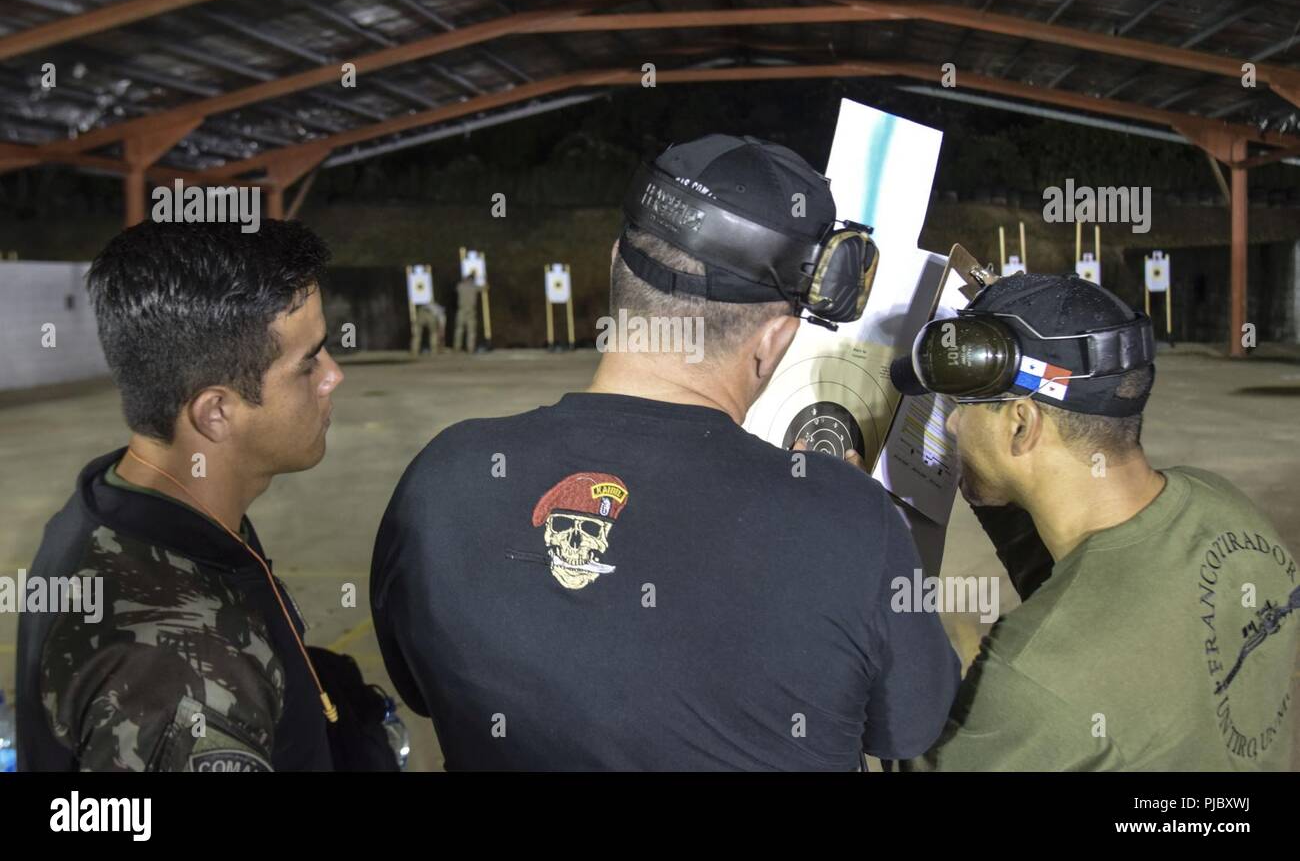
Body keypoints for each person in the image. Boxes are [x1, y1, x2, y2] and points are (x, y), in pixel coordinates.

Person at [371, 134, 959, 770]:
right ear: (773, 341)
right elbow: (912, 725)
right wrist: (856, 519)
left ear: (614, 264)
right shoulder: (852, 522)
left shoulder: (444, 479)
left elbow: (418, 686)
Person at [898, 272, 1298, 770]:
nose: (954, 423)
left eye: (964, 407)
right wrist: (992, 482)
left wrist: (865, 562)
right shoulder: (1226, 508)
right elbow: (1092, 586)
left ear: (1022, 424)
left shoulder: (1036, 677)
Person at [17, 218, 345, 771]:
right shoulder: (178, 675)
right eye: (308, 362)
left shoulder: (119, 503)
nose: (333, 376)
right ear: (215, 412)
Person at [453, 275, 480, 352]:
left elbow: (456, 288)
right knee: (471, 331)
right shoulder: (474, 287)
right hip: (471, 311)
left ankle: (457, 348)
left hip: (461, 310)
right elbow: (485, 287)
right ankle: (470, 348)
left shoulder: (460, 286)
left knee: (459, 329)